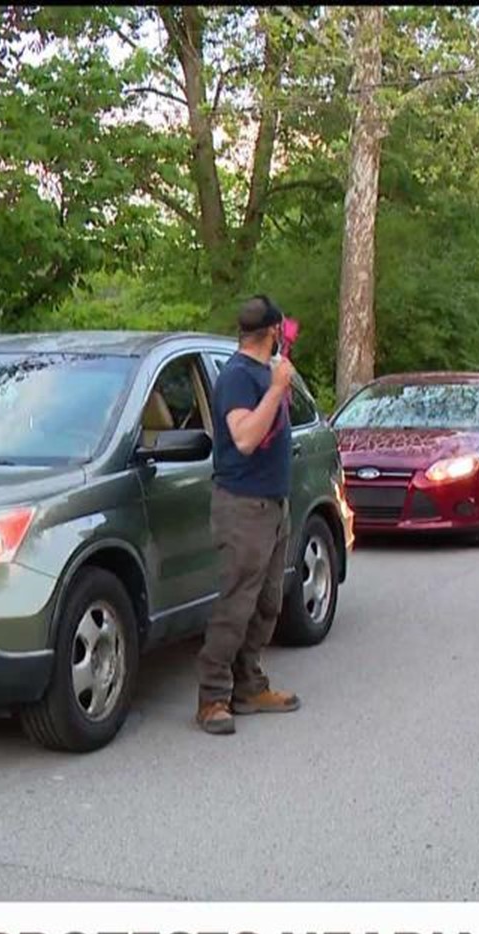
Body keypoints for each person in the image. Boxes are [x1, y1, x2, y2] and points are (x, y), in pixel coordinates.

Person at [195, 295, 303, 736]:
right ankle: (212, 698)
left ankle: (249, 686)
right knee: (236, 605)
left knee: (267, 602)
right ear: (276, 330)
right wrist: (277, 388)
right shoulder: (238, 376)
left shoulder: (262, 372)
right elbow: (243, 438)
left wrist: (279, 389)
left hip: (273, 504)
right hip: (243, 507)